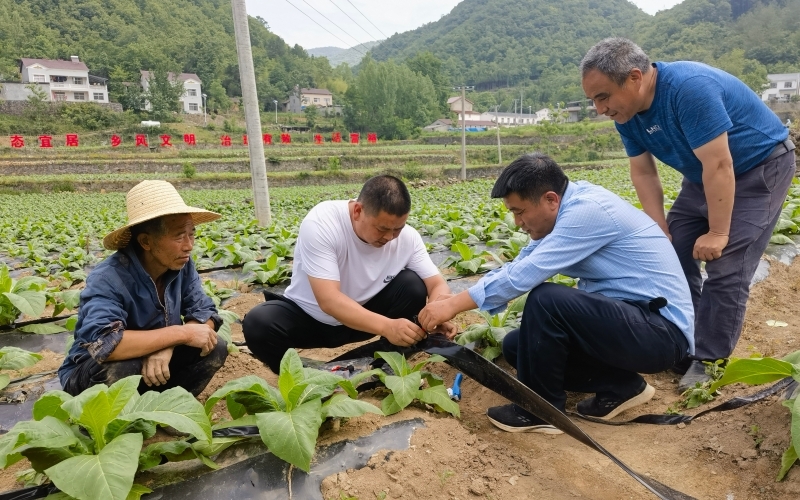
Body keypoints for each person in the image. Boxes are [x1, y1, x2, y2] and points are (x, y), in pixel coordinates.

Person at [418, 154, 694, 433]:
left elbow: (528, 273)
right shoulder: (564, 211)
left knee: (547, 299)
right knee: (518, 346)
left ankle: (542, 411)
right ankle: (622, 386)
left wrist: (453, 305)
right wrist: (450, 301)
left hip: (660, 333)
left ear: (551, 199)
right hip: (631, 324)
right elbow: (520, 263)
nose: (517, 222)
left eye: (520, 211)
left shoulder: (587, 211)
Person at [580, 38, 796, 391]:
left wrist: (719, 233)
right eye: (593, 99)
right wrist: (658, 225)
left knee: (725, 264)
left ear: (635, 77)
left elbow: (721, 163)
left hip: (758, 168)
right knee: (672, 252)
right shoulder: (627, 114)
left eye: (603, 96)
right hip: (703, 176)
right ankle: (686, 339)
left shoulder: (688, 89)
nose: (599, 108)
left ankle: (709, 359)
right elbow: (644, 172)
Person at [243, 175, 455, 373]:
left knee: (412, 286)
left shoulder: (407, 238)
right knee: (259, 323)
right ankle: (300, 377)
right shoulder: (322, 223)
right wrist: (388, 326)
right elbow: (329, 301)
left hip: (365, 316)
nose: (390, 237)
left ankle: (382, 366)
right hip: (311, 319)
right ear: (357, 211)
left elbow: (437, 284)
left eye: (397, 229)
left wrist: (437, 311)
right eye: (382, 229)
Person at [58, 180, 228, 396]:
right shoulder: (108, 278)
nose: (189, 245)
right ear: (146, 241)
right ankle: (115, 423)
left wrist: (167, 346)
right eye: (179, 236)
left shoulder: (181, 264)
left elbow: (206, 312)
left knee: (214, 347)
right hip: (93, 374)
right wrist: (180, 333)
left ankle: (168, 408)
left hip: (155, 367)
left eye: (191, 234)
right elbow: (106, 344)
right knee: (125, 366)